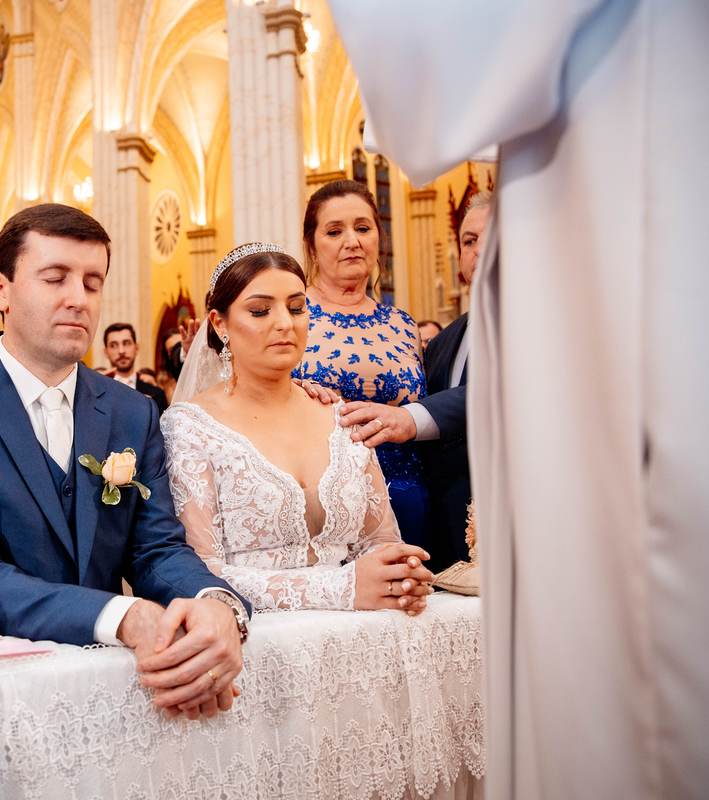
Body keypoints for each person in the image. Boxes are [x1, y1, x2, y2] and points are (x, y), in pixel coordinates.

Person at [329, 2, 709, 796]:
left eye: (366, 225)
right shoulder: (443, 330)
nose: (355, 242)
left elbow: (423, 81)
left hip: (615, 163)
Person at [0, 203, 250, 722]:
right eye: (55, 278)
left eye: (93, 282)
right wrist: (122, 616)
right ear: (1, 290)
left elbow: (156, 548)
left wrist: (213, 602)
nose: (78, 300)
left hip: (110, 687)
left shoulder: (133, 411)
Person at [165, 243, 433, 613]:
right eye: (260, 310)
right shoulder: (190, 427)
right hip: (256, 638)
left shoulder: (338, 415)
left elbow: (381, 538)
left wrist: (400, 575)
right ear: (219, 323)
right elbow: (198, 569)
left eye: (296, 307)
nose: (285, 324)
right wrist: (341, 589)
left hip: (363, 631)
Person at [339, 192, 490, 571]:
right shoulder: (441, 342)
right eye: (469, 240)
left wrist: (409, 419)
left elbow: (506, 391)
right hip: (443, 526)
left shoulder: (551, 325)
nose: (478, 249)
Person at [291, 179, 429, 546]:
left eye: (363, 228)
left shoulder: (403, 324)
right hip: (325, 511)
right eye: (335, 231)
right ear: (312, 246)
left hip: (409, 499)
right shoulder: (292, 315)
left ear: (377, 239)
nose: (352, 241)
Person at [103, 322, 168, 412]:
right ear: (106, 352)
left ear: (136, 348)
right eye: (113, 345)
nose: (121, 351)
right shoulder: (97, 391)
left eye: (126, 343)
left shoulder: (156, 393)